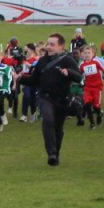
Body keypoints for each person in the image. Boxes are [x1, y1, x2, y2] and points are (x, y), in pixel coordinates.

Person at [31, 33, 80, 166]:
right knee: (48, 119)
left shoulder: (68, 60)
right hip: (45, 97)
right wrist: (19, 78)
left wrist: (68, 72)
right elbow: (33, 79)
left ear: (61, 46)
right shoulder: (42, 61)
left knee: (58, 128)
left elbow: (79, 78)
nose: (49, 47)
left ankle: (56, 154)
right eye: (48, 44)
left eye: (52, 44)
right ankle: (51, 152)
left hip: (62, 99)